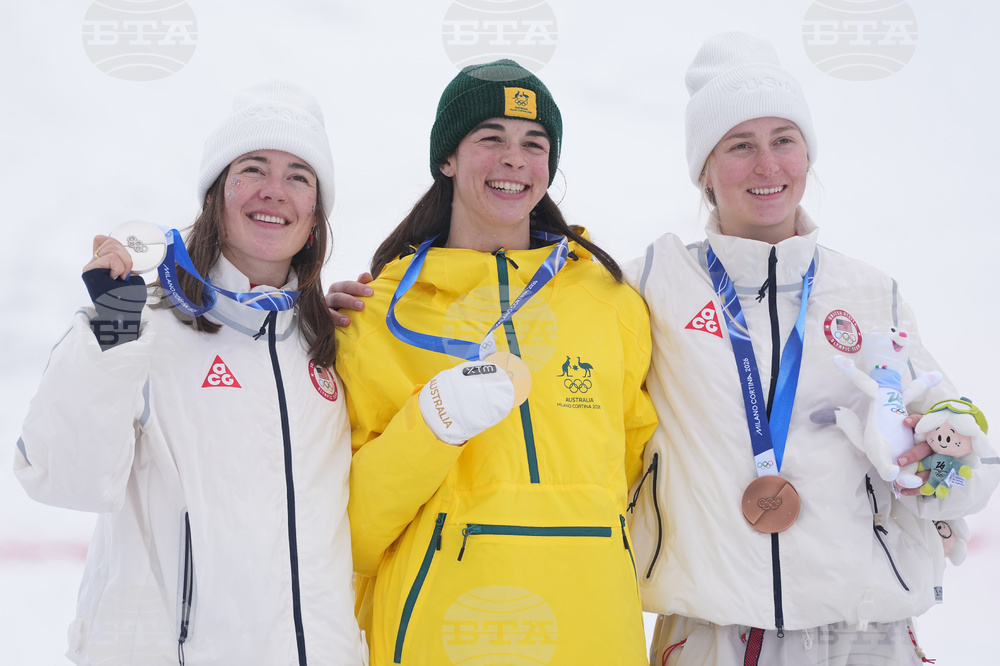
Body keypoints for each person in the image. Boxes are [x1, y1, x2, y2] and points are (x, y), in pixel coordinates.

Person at [624, 32, 1000, 665]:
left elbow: (962, 459)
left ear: (808, 154)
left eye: (784, 141)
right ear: (705, 172)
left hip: (869, 634)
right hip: (717, 634)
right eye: (740, 146)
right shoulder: (652, 288)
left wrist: (946, 455)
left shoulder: (870, 292)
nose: (768, 167)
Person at [15, 81, 367, 665]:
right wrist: (113, 329)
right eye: (253, 168)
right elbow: (61, 476)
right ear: (216, 195)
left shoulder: (326, 346)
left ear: (315, 216)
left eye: (299, 176)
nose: (274, 191)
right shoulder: (143, 326)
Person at [334, 59, 657, 665]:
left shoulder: (611, 304)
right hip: (441, 633)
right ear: (447, 160)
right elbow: (349, 531)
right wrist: (432, 423)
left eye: (534, 144)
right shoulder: (374, 316)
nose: (515, 159)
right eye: (491, 138)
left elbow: (638, 474)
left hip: (596, 631)